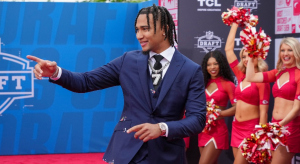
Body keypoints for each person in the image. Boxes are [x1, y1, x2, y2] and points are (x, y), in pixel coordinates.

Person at [27, 4, 207, 164]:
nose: (139, 35)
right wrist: (56, 72)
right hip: (126, 153)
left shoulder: (190, 70)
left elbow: (197, 119)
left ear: (164, 29)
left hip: (166, 155)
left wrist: (161, 128)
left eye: (145, 29)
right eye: (137, 30)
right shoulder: (128, 61)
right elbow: (86, 82)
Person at [245, 37, 300, 164]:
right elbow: (250, 76)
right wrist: (252, 58)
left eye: (289, 50)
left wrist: (279, 125)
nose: (285, 54)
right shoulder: (278, 73)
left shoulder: (299, 74)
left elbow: (297, 108)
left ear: (296, 52)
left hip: (289, 128)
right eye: (282, 50)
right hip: (275, 126)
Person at [225, 23, 270, 164]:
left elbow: (264, 112)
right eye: (244, 56)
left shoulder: (262, 79)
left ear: (257, 57)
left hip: (251, 130)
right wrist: (234, 24)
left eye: (250, 56)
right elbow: (228, 50)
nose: (246, 59)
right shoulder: (240, 75)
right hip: (236, 128)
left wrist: (260, 136)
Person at [197, 50, 236, 164]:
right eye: (209, 64)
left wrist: (218, 114)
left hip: (218, 131)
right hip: (203, 130)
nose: (212, 67)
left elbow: (237, 108)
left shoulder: (229, 84)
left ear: (221, 64)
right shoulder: (202, 83)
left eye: (215, 64)